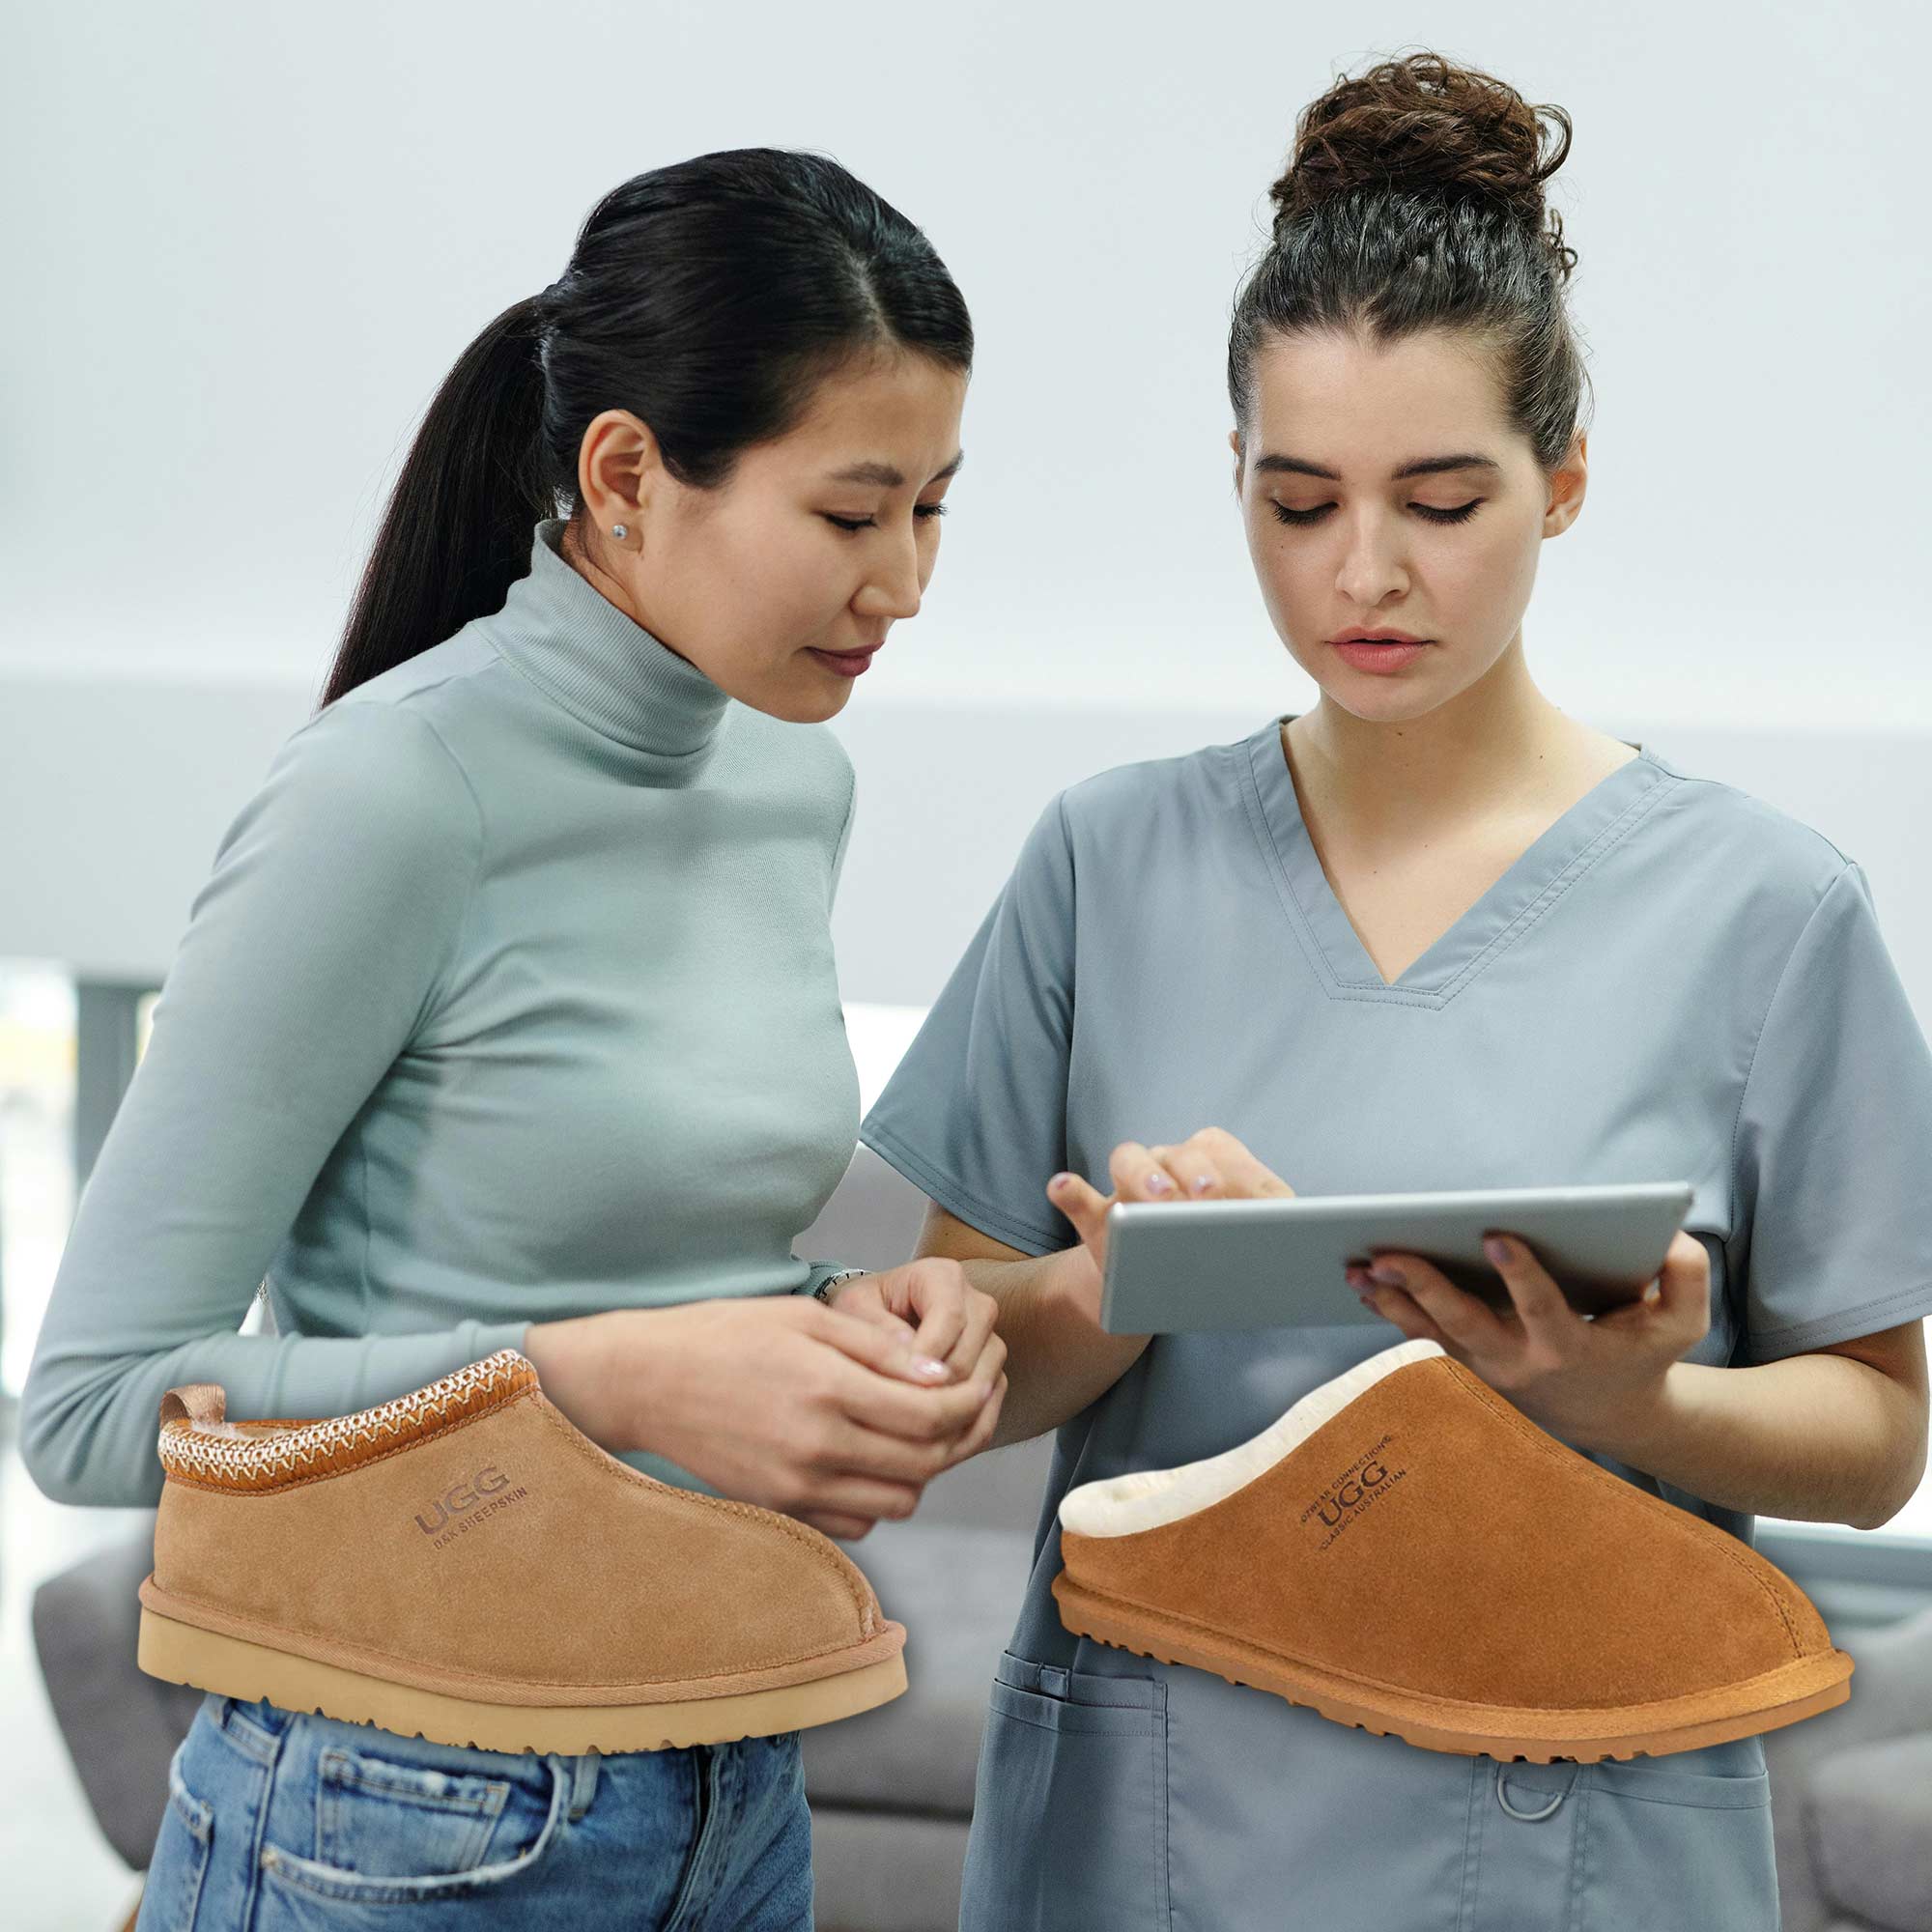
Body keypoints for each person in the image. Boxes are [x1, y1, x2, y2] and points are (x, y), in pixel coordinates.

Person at [857, 51, 1932, 1930]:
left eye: (1441, 500)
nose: (1363, 574)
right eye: (1297, 502)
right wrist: (1102, 1297)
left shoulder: (1762, 910)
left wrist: (1633, 1398)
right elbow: (960, 1355)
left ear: (1563, 479)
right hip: (1150, 1829)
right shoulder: (1104, 867)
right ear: (1237, 484)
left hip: (1575, 1838)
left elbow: (1875, 1435)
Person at [21, 149, 1008, 1928]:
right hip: (396, 1803)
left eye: (936, 508)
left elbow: (664, 1254)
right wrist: (614, 1375)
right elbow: (92, 1412)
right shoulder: (390, 799)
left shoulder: (794, 775)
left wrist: (860, 1331)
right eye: (856, 515)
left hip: (736, 1775)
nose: (908, 581)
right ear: (627, 473)